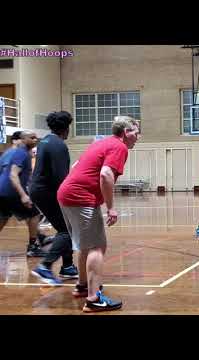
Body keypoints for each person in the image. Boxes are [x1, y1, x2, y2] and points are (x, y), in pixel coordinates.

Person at [57, 116, 140, 312]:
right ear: (126, 132)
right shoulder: (119, 147)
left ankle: (82, 286)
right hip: (80, 197)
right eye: (136, 133)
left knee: (85, 246)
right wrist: (111, 207)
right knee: (97, 246)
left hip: (66, 194)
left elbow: (76, 166)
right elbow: (105, 174)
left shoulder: (102, 143)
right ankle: (93, 299)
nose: (138, 137)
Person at [30, 111, 79, 284]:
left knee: (64, 227)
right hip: (47, 191)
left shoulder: (45, 140)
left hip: (38, 189)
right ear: (66, 128)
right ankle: (45, 266)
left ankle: (67, 267)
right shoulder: (58, 145)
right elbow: (60, 177)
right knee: (67, 229)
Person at [0, 130, 47, 257]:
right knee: (34, 214)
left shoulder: (14, 153)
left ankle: (40, 237)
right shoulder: (20, 153)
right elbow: (13, 175)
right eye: (31, 137)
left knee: (3, 218)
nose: (35, 140)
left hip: (3, 191)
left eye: (36, 138)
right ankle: (33, 246)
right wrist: (23, 195)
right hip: (12, 191)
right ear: (22, 139)